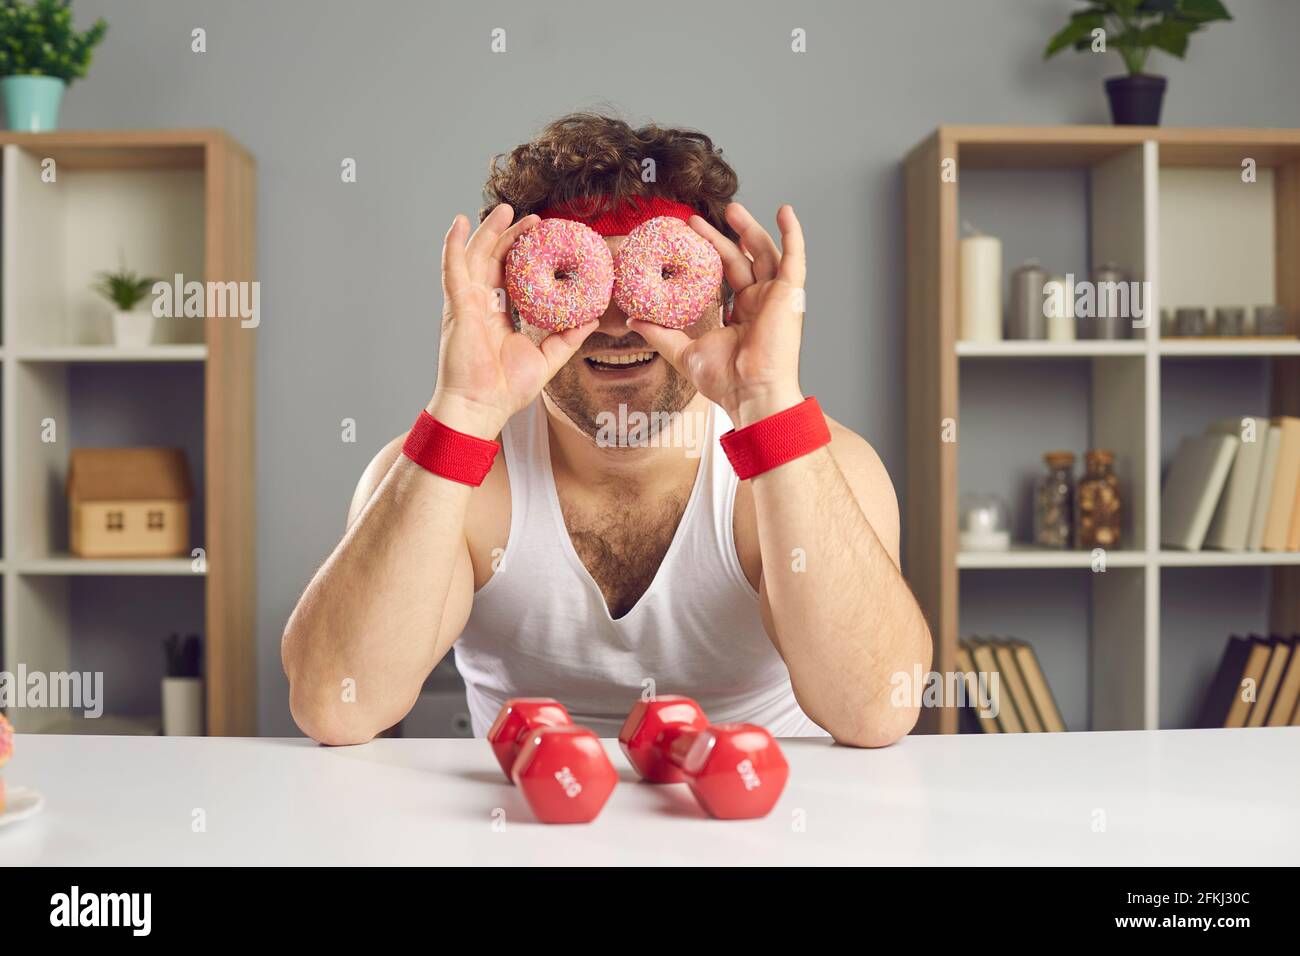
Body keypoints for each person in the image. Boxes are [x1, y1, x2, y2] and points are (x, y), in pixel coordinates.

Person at [282, 113, 932, 746]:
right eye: (576, 282)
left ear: (721, 299)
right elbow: (337, 705)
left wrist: (767, 402)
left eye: (659, 279)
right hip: (526, 833)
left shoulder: (823, 467)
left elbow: (877, 709)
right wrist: (464, 410)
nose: (619, 320)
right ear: (513, 305)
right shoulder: (450, 476)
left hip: (762, 832)